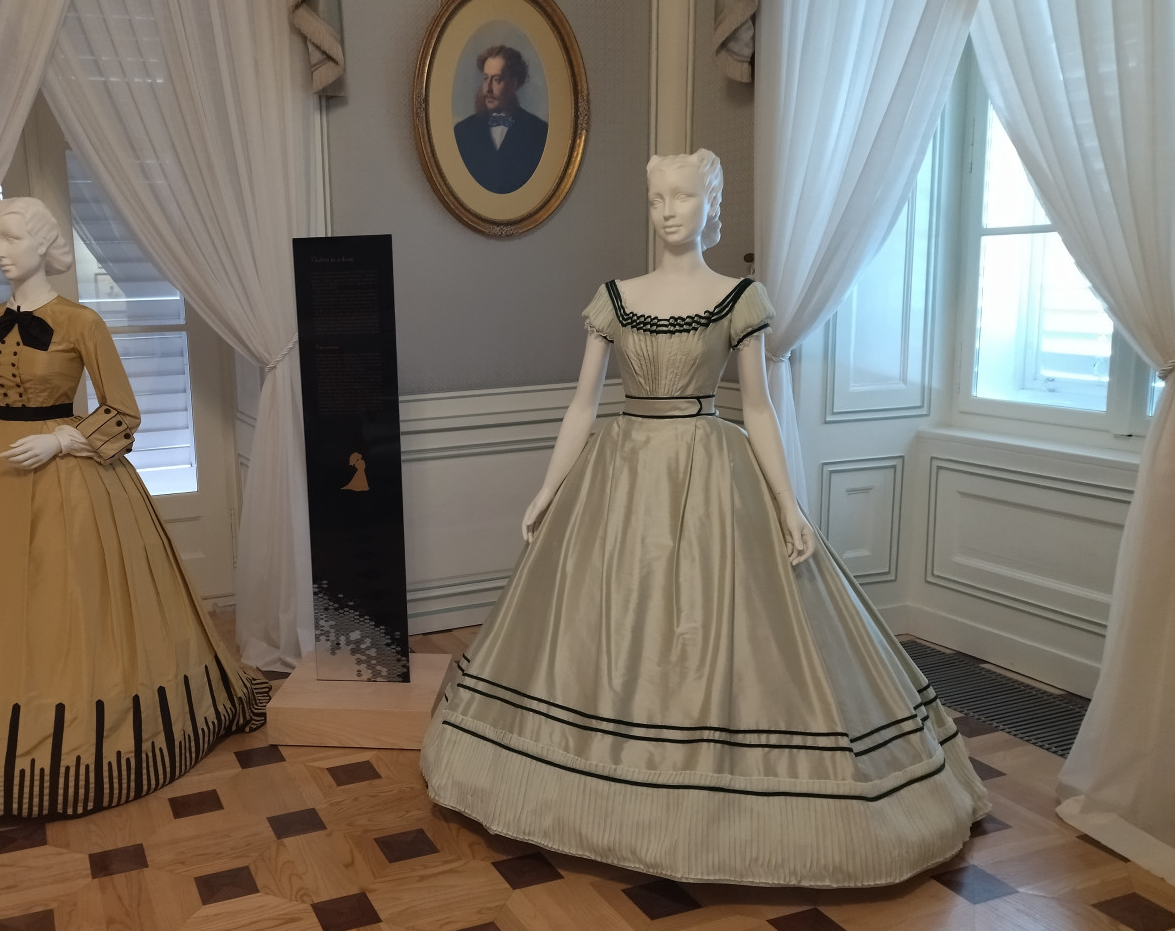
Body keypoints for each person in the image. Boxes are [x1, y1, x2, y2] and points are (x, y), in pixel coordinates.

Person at [419, 152, 990, 887]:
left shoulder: (738, 298)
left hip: (713, 471)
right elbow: (582, 404)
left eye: (683, 197)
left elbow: (759, 408)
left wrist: (787, 502)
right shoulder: (615, 298)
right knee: (604, 626)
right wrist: (547, 488)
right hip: (619, 473)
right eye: (658, 197)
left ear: (710, 206)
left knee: (725, 629)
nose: (668, 210)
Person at [0, 197, 269, 818]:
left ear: (43, 244)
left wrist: (60, 440)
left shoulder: (82, 322)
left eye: (11, 239)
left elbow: (122, 411)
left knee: (70, 600)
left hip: (70, 477)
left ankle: (83, 741)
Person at [453, 44, 548, 194]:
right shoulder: (462, 131)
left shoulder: (539, 131)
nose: (488, 89)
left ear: (514, 83)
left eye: (497, 80)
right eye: (486, 79)